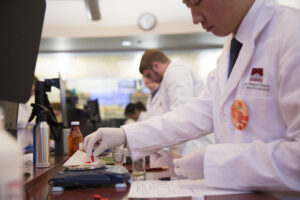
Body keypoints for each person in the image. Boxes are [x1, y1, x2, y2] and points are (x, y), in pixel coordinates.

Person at [84, 0, 300, 191]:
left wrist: (215, 161)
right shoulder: (231, 47)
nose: (195, 19)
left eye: (196, 2)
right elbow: (198, 112)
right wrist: (126, 134)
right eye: (187, 6)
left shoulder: (292, 33)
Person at [17, 76, 38, 151]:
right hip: (18, 149)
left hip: (27, 148)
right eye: (33, 90)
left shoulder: (24, 106)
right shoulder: (12, 104)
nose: (33, 95)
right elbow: (19, 122)